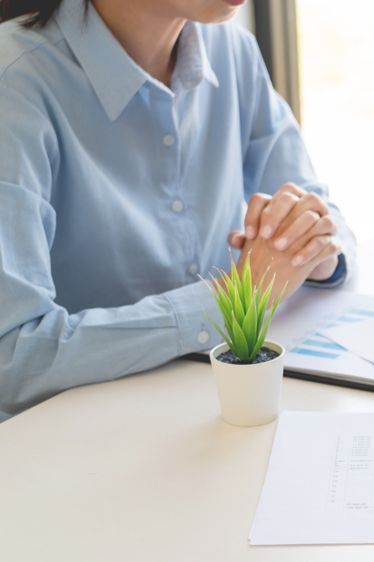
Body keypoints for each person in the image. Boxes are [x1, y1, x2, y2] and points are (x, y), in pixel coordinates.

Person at [0, 0, 355, 420]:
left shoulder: (233, 50)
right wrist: (236, 297)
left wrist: (309, 248)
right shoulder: (15, 84)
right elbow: (14, 357)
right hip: (78, 442)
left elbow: (320, 214)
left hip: (217, 412)